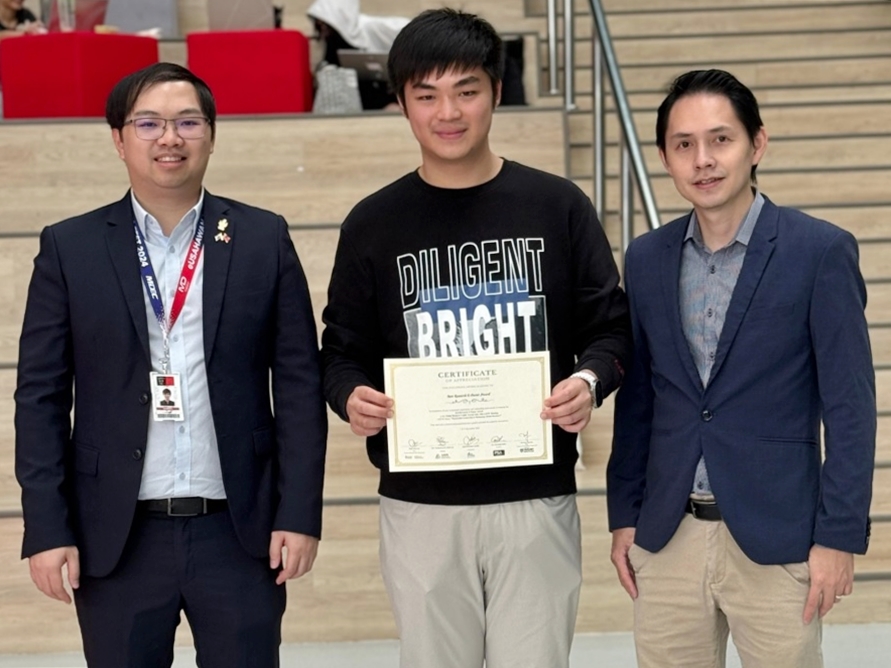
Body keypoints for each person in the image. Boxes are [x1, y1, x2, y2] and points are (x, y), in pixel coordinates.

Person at [320, 9, 631, 668]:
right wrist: (350, 395)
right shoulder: (372, 223)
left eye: (465, 90)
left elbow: (609, 326)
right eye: (425, 95)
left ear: (495, 90)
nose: (448, 112)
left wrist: (587, 382)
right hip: (420, 506)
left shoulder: (557, 206)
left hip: (533, 495)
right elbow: (339, 349)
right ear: (400, 102)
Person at [15, 62, 327, 668]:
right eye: (149, 123)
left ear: (212, 132)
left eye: (188, 122)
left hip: (240, 534)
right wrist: (47, 527)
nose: (169, 138)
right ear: (118, 138)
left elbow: (297, 383)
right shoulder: (69, 247)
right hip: (116, 537)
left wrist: (298, 513)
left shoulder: (263, 237)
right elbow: (41, 398)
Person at [607, 69, 875, 667]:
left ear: (757, 144)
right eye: (684, 145)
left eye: (720, 140)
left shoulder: (819, 251)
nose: (703, 160)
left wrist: (837, 535)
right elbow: (639, 401)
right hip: (668, 536)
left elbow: (850, 407)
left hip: (779, 539)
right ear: (665, 158)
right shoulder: (647, 257)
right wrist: (625, 516)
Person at [306, 0, 408, 110]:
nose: (322, 26)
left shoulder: (368, 28)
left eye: (324, 22)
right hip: (350, 98)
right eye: (319, 23)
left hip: (379, 89)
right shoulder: (331, 40)